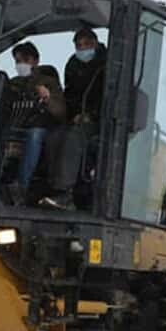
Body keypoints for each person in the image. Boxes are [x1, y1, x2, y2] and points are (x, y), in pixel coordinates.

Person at [39, 27, 106, 210]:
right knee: (53, 136)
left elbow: (109, 96)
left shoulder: (107, 63)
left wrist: (90, 114)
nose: (82, 49)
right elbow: (71, 94)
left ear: (95, 43)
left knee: (72, 138)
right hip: (76, 117)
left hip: (101, 121)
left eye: (86, 44)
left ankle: (66, 194)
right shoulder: (73, 64)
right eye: (78, 45)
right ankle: (50, 189)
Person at [5, 42, 66, 194]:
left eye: (26, 59)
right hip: (14, 126)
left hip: (41, 127)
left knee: (34, 134)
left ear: (36, 60)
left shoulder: (49, 82)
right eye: (18, 61)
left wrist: (47, 98)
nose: (21, 64)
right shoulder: (12, 83)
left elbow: (61, 111)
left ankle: (22, 186)